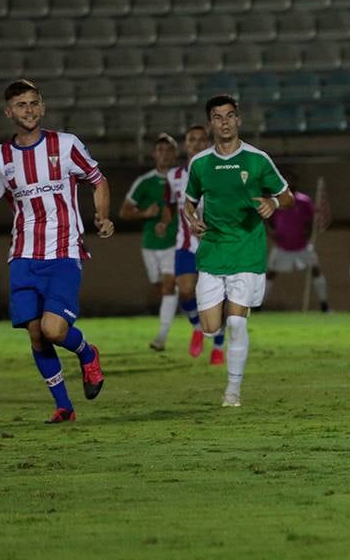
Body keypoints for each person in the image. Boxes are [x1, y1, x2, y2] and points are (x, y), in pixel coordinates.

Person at [0, 79, 112, 423]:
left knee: (54, 330)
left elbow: (98, 179)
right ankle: (64, 407)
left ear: (42, 107)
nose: (29, 110)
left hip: (63, 251)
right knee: (35, 334)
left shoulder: (66, 144)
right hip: (23, 256)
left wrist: (103, 216)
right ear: (8, 112)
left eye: (34, 103)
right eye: (21, 105)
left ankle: (87, 353)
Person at [182, 95, 293, 407]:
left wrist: (272, 202)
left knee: (236, 323)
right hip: (213, 252)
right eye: (218, 117)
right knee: (210, 326)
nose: (225, 122)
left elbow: (289, 197)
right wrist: (192, 219)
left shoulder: (257, 160)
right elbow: (188, 202)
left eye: (230, 116)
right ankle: (218, 350)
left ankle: (232, 391)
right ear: (211, 123)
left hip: (247, 251)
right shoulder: (200, 163)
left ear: (238, 120)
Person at [160, 124, 225, 363]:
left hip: (216, 244)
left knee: (220, 298)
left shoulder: (219, 171)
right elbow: (169, 205)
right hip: (185, 244)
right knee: (185, 290)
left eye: (201, 139)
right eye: (191, 139)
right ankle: (198, 326)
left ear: (208, 143)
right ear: (185, 144)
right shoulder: (173, 176)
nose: (196, 143)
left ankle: (218, 346)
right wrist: (164, 221)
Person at [119, 133, 180, 351]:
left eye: (168, 150)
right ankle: (186, 304)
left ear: (175, 154)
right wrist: (145, 213)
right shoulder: (144, 182)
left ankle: (162, 337)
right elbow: (124, 211)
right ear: (155, 154)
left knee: (168, 285)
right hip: (150, 244)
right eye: (160, 150)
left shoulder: (183, 179)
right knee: (159, 286)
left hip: (175, 242)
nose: (164, 154)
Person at [266, 176, 330, 312]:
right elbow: (268, 220)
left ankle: (324, 304)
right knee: (270, 274)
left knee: (316, 270)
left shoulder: (304, 200)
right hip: (282, 247)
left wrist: (309, 231)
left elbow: (311, 220)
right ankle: (258, 306)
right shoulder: (276, 201)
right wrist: (272, 234)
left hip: (302, 246)